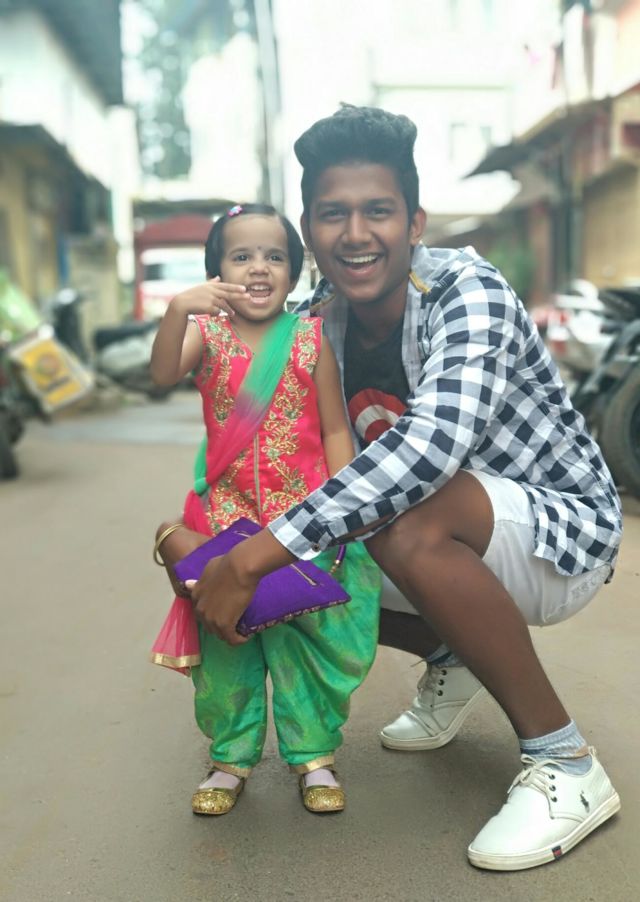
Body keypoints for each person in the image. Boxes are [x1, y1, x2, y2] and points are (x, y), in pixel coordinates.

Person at [156, 107, 623, 870]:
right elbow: (266, 446)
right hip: (453, 538)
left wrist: (255, 557)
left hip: (558, 536)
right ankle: (454, 653)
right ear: (310, 233)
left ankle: (566, 763)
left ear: (414, 222)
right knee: (306, 556)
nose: (356, 234)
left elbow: (432, 450)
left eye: (378, 210)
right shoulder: (315, 323)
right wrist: (207, 548)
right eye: (332, 214)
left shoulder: (466, 291)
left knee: (391, 522)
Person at [149, 202, 380, 817]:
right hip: (223, 524)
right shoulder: (206, 334)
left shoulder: (309, 339)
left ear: (294, 272)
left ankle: (314, 756)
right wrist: (178, 309)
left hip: (298, 525)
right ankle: (230, 757)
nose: (258, 268)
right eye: (241, 256)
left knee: (305, 641)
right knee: (227, 643)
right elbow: (162, 372)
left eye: (274, 257)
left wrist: (340, 506)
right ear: (217, 270)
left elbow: (335, 429)